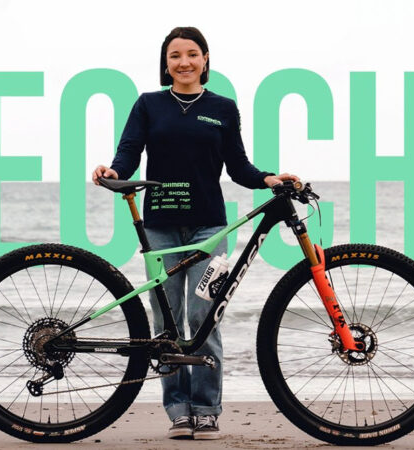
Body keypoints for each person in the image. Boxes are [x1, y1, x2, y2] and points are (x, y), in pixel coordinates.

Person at [93, 26, 298, 440]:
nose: (184, 62)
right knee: (166, 321)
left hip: (209, 225)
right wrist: (114, 171)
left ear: (205, 59)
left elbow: (238, 166)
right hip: (160, 227)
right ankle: (178, 411)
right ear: (166, 63)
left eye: (191, 54)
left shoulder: (223, 108)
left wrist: (268, 178)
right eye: (175, 55)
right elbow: (129, 151)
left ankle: (206, 409)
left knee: (203, 315)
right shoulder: (149, 104)